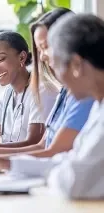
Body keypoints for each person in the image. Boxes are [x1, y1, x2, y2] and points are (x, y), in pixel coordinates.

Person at [0, 8, 93, 171]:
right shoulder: (67, 94)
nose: (43, 56)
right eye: (40, 49)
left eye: (46, 47)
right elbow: (42, 145)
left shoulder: (81, 96)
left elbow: (53, 151)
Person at [46, 13, 104, 199]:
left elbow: (72, 182)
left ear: (76, 64)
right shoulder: (98, 105)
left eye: (55, 66)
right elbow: (73, 160)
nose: (59, 79)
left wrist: (55, 173)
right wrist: (7, 163)